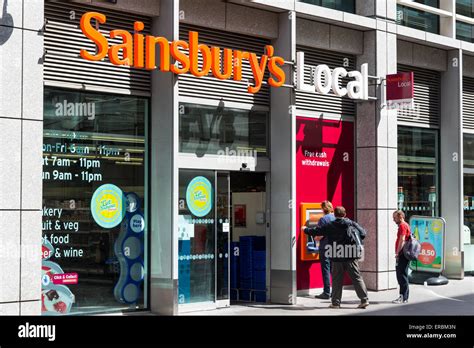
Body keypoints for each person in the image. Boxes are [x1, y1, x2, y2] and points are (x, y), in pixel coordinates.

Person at [302, 206, 369, 309]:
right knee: (357, 278)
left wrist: (305, 229)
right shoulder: (351, 223)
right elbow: (363, 233)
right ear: (345, 214)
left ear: (335, 215)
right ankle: (364, 300)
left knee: (337, 280)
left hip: (336, 255)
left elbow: (317, 231)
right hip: (350, 255)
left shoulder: (330, 225)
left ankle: (335, 303)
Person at [314, 200, 335, 300]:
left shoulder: (323, 219)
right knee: (334, 270)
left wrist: (315, 238)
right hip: (335, 247)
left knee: (326, 270)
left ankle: (326, 292)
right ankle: (335, 292)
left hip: (325, 248)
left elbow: (319, 235)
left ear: (323, 208)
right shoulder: (336, 217)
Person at [392, 210, 411, 304]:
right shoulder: (405, 225)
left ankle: (403, 297)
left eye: (394, 218)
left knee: (401, 275)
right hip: (404, 253)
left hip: (402, 254)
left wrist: (397, 252)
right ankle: (404, 296)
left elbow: (402, 239)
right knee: (402, 275)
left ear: (400, 217)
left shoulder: (403, 226)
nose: (393, 220)